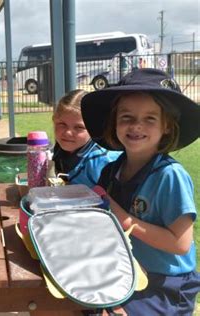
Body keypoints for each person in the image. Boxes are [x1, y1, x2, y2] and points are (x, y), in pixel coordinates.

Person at [81, 68, 200, 315]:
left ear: (167, 126)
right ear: (114, 123)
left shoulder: (169, 176)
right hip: (126, 270)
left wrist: (124, 219)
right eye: (126, 117)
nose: (136, 126)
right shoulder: (112, 171)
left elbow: (180, 243)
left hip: (165, 286)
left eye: (150, 118)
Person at [51, 89, 120, 187]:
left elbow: (112, 199)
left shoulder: (101, 161)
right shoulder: (60, 152)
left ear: (94, 128)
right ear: (54, 121)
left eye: (79, 127)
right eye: (62, 124)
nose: (68, 132)